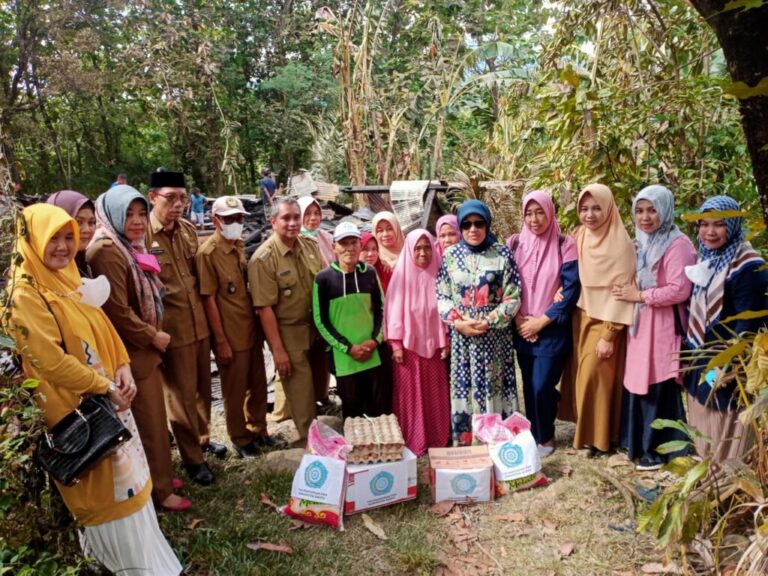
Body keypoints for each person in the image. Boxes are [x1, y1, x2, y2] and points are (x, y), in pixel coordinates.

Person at [5, 204, 182, 574]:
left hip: (109, 402)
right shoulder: (26, 295)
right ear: (32, 240)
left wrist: (121, 366)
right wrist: (103, 385)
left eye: (69, 237)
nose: (64, 246)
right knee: (106, 496)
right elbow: (48, 361)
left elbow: (103, 326)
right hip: (79, 417)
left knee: (130, 490)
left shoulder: (68, 278)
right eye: (53, 237)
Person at [86, 185, 190, 511]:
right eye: (128, 214)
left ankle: (157, 475)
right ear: (113, 214)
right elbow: (117, 311)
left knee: (153, 421)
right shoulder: (106, 250)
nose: (136, 221)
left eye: (141, 213)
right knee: (151, 424)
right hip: (131, 353)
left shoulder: (128, 246)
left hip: (141, 352)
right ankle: (160, 491)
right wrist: (152, 336)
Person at [147, 169, 225, 486]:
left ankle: (203, 439)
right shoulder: (143, 237)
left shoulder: (188, 231)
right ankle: (193, 459)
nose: (179, 204)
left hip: (199, 325)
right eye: (171, 197)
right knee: (179, 397)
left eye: (182, 197)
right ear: (153, 197)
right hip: (172, 330)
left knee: (202, 390)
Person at [611, 186, 697, 470]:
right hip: (642, 322)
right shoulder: (642, 241)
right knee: (639, 380)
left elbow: (679, 290)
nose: (645, 217)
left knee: (658, 381)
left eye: (652, 210)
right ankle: (636, 443)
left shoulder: (677, 244)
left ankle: (658, 450)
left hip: (663, 324)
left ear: (665, 210)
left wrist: (640, 296)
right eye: (639, 210)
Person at [683, 196, 768, 463]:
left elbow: (749, 324)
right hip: (703, 357)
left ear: (732, 226)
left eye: (719, 225)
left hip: (728, 363)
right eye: (704, 224)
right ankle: (708, 478)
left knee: (726, 420)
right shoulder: (708, 259)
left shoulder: (748, 265)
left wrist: (728, 365)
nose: (709, 232)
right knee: (704, 418)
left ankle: (727, 487)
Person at [197, 196, 279, 458]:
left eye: (239, 218)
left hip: (250, 330)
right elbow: (208, 299)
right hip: (230, 334)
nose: (236, 223)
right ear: (215, 221)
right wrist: (220, 341)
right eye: (229, 219)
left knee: (257, 382)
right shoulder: (208, 254)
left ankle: (258, 430)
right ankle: (241, 439)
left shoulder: (239, 246)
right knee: (234, 390)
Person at [436, 199, 521, 446]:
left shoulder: (503, 253)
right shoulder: (450, 256)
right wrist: (457, 323)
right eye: (467, 225)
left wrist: (488, 321)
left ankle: (499, 446)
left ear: (487, 225)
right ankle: (467, 446)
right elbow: (441, 295)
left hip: (494, 339)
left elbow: (513, 296)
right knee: (465, 389)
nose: (473, 229)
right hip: (463, 340)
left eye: (479, 223)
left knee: (494, 390)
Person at [561, 184, 635, 457]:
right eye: (584, 208)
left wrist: (610, 334)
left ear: (609, 209)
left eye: (596, 208)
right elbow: (568, 269)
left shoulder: (621, 243)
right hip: (581, 316)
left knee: (597, 377)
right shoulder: (579, 236)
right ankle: (588, 433)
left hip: (606, 320)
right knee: (583, 377)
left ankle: (602, 439)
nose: (589, 214)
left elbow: (623, 292)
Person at [508, 191, 580, 457]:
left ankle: (546, 436)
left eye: (540, 212)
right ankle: (536, 434)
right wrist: (518, 319)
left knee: (541, 384)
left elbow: (571, 289)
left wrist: (540, 322)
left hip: (550, 327)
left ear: (550, 213)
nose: (534, 219)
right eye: (529, 213)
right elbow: (506, 285)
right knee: (529, 384)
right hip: (521, 325)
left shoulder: (565, 243)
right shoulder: (514, 243)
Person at [248, 197, 324, 444]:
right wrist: (278, 350)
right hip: (288, 331)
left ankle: (317, 428)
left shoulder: (310, 246)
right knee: (300, 389)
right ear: (273, 222)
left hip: (316, 326)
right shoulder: (263, 258)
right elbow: (264, 308)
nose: (293, 223)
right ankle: (309, 441)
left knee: (318, 384)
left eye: (296, 217)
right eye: (286, 218)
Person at [386, 229, 450, 456]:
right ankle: (415, 439)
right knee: (412, 398)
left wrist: (446, 340)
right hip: (408, 350)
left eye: (427, 248)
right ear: (409, 251)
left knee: (435, 396)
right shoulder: (401, 277)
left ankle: (438, 438)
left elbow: (448, 310)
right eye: (418, 248)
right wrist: (395, 344)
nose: (423, 253)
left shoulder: (441, 275)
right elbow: (393, 313)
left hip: (435, 349)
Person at [313, 222, 383, 419]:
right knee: (352, 411)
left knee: (376, 409)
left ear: (360, 245)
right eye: (344, 243)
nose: (349, 248)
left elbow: (381, 310)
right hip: (343, 358)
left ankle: (379, 448)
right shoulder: (323, 279)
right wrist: (348, 347)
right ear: (334, 247)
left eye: (354, 242)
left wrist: (375, 341)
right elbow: (320, 321)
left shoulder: (370, 273)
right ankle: (356, 449)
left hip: (372, 354)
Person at [46, 190, 97, 278]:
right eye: (78, 222)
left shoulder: (81, 261)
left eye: (91, 222)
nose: (87, 230)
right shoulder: (53, 265)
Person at [298, 196, 335, 266]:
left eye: (316, 213)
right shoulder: (293, 240)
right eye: (307, 213)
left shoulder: (328, 238)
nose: (313, 218)